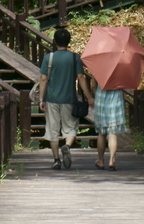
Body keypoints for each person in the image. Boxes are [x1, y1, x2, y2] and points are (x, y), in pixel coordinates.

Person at [37, 27, 93, 170]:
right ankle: (67, 146)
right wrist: (89, 97)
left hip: (51, 99)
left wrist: (41, 99)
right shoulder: (75, 58)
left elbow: (43, 79)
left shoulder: (48, 58)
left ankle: (56, 160)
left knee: (52, 129)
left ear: (54, 41)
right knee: (71, 127)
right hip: (69, 98)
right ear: (69, 41)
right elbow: (81, 78)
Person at [91, 73, 129, 170]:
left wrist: (96, 93)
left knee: (101, 132)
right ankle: (112, 161)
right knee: (113, 132)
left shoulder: (98, 64)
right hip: (116, 96)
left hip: (101, 94)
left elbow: (93, 85)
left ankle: (101, 161)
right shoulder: (120, 66)